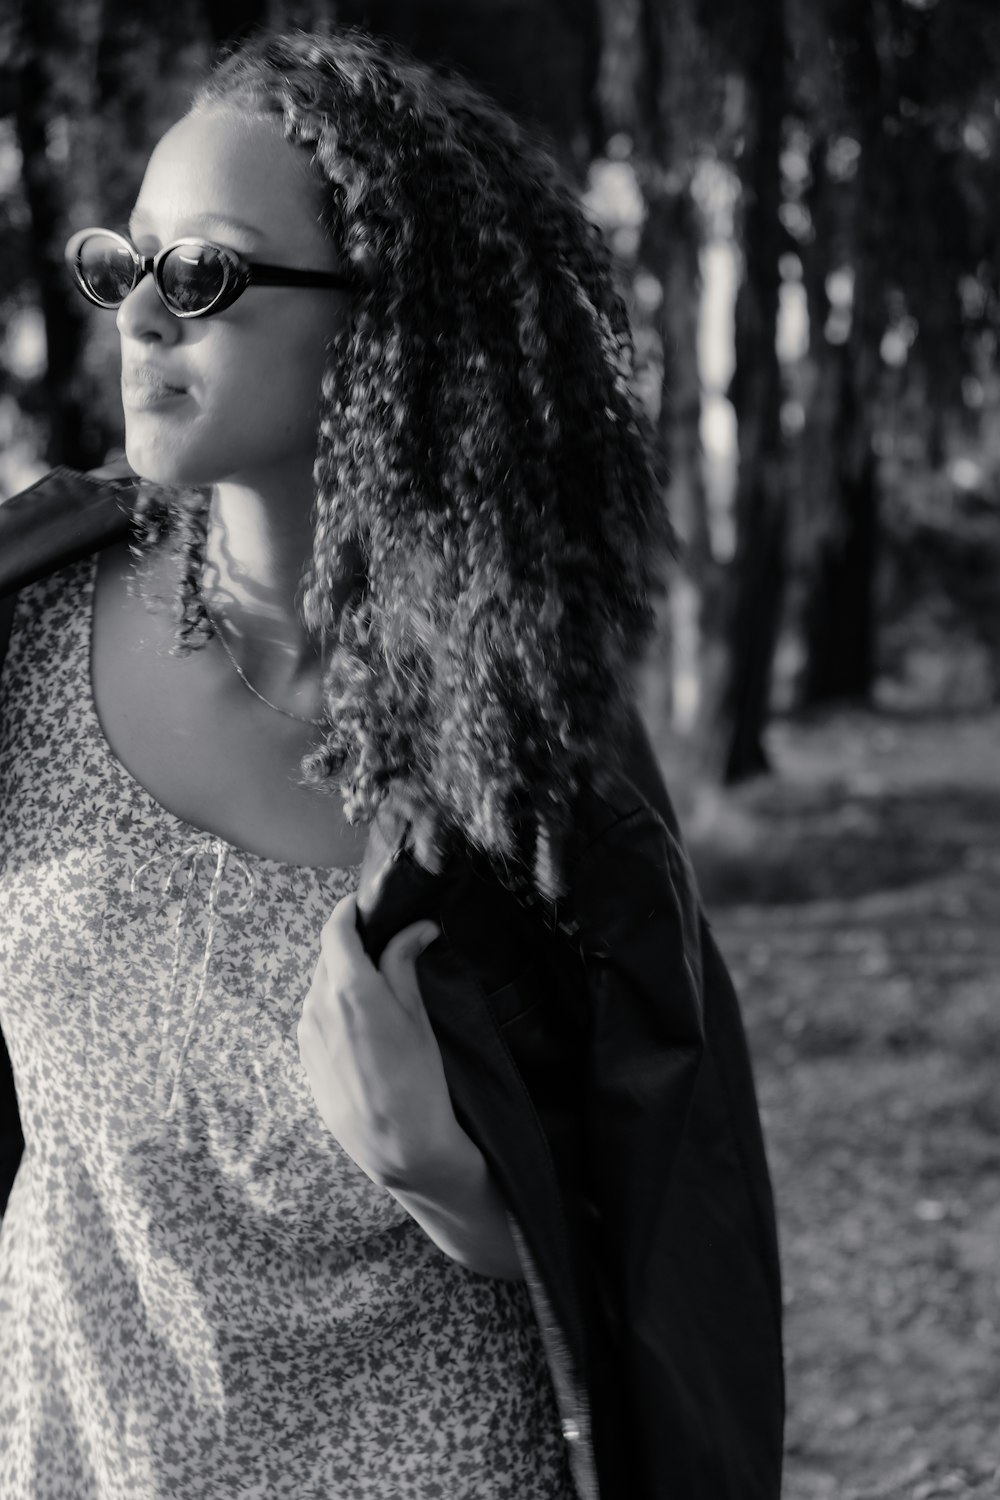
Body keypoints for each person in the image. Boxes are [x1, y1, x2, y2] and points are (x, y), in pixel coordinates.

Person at [0, 26, 783, 1500]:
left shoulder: (522, 742)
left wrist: (446, 1176)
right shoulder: (27, 634)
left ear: (383, 327)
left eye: (207, 274)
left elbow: (665, 1256)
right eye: (128, 264)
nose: (141, 320)